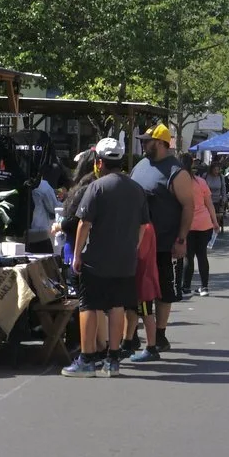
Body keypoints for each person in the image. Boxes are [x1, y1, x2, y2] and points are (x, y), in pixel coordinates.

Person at [65, 138, 148, 376]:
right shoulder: (135, 188)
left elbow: (84, 223)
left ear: (99, 162)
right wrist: (133, 246)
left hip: (97, 259)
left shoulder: (97, 187)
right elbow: (143, 226)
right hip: (125, 260)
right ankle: (113, 359)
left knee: (89, 306)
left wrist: (78, 254)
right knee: (117, 306)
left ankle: (87, 358)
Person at [129, 124, 185, 361]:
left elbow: (188, 206)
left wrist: (181, 239)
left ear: (161, 143)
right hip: (138, 242)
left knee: (162, 289)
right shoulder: (140, 166)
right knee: (137, 290)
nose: (143, 144)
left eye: (147, 140)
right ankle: (131, 336)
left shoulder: (176, 171)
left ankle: (160, 335)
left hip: (163, 242)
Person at [177, 158, 217, 297]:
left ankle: (186, 286)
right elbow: (209, 203)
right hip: (204, 223)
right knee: (202, 255)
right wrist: (215, 222)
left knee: (189, 256)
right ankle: (204, 287)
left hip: (187, 224)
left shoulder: (180, 183)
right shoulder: (201, 182)